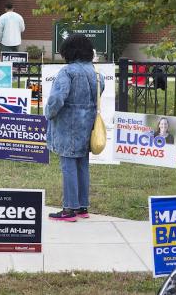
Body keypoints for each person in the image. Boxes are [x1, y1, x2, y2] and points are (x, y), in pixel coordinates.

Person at [45, 34, 103, 222]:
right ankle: (82, 206)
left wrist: (48, 113)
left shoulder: (67, 71)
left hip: (68, 125)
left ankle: (69, 208)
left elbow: (57, 99)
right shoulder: (96, 73)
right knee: (82, 165)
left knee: (68, 166)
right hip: (88, 125)